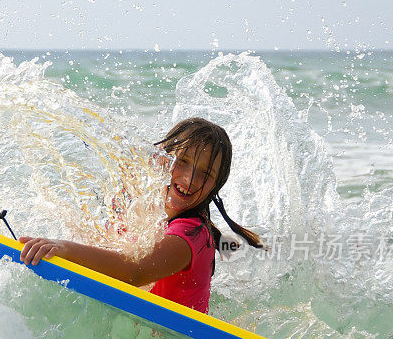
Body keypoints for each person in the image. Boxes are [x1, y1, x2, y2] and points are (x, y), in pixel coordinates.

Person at [18, 117, 265, 314]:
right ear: (163, 159)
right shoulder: (147, 212)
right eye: (183, 161)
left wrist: (63, 248)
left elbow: (134, 272)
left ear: (215, 187)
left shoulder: (192, 233)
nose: (190, 179)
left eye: (206, 174)